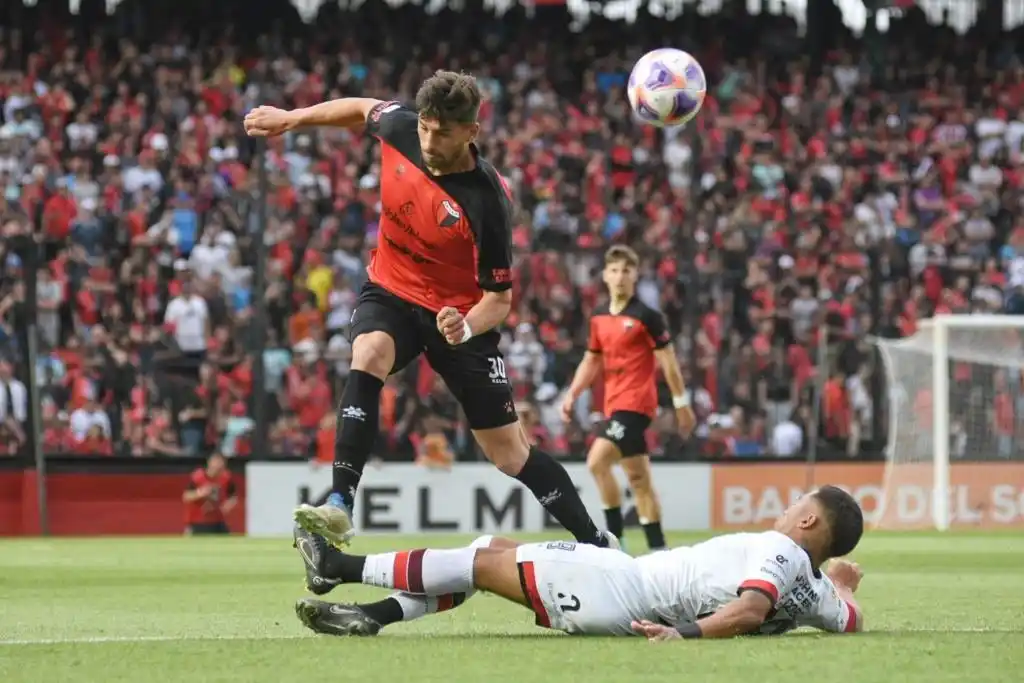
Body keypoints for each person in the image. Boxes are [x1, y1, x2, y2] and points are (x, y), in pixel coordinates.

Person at [244, 71, 615, 549]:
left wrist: (465, 327)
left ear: (471, 132)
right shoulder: (400, 127)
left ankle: (596, 544)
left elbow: (499, 300)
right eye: (425, 127)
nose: (429, 139)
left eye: (442, 132)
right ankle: (340, 504)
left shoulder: (487, 201)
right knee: (369, 353)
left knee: (509, 455)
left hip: (457, 317)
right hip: (391, 290)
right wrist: (292, 119)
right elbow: (362, 107)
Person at [291, 486, 865, 639]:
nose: (790, 507)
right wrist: (839, 584)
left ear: (809, 523)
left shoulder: (779, 548)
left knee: (476, 563)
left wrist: (682, 636)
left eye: (800, 503)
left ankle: (336, 567)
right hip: (621, 587)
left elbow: (748, 608)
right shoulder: (815, 592)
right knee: (492, 552)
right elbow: (850, 617)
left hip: (620, 590)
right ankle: (374, 614)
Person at [560, 246, 696, 551]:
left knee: (597, 463)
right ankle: (659, 551)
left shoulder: (648, 317)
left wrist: (681, 403)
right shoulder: (598, 317)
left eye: (627, 271)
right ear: (606, 276)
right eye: (615, 270)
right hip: (614, 405)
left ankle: (614, 542)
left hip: (636, 404)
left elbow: (669, 362)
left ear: (635, 276)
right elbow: (592, 359)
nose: (621, 277)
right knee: (638, 479)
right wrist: (572, 394)